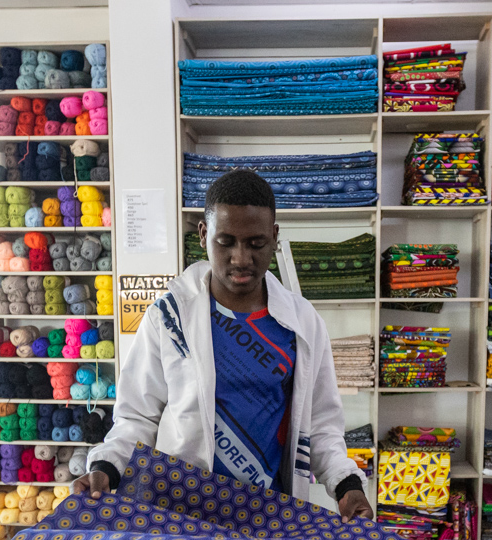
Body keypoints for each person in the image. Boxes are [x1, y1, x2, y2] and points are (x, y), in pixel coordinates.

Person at [73, 169, 374, 521]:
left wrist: (347, 485)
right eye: (226, 241)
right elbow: (138, 416)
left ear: (275, 237)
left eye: (256, 243)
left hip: (269, 513)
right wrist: (106, 466)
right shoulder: (169, 318)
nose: (241, 258)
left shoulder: (302, 322)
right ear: (203, 235)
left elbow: (321, 424)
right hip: (182, 509)